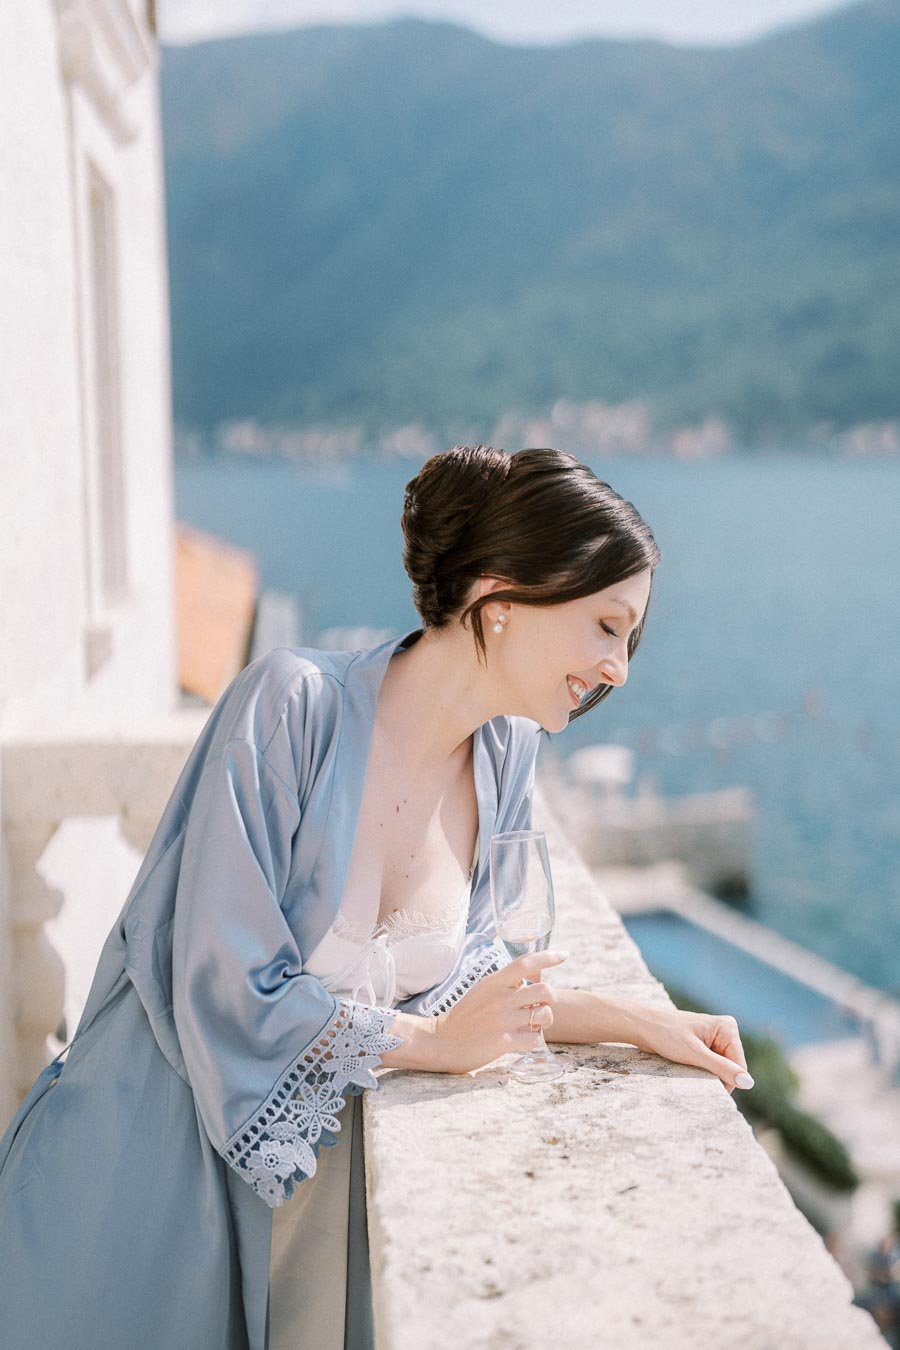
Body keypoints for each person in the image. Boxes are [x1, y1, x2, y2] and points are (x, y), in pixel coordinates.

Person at [0, 445, 751, 1350]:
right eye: (606, 625)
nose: (619, 668)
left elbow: (476, 985)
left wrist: (639, 1021)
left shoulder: (507, 757)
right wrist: (431, 1045)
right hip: (137, 1184)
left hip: (283, 1224)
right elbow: (226, 986)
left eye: (630, 638)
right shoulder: (291, 706)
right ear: (504, 600)